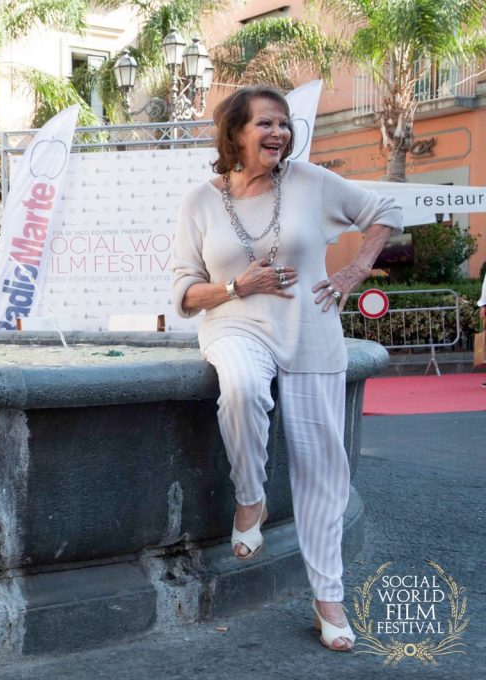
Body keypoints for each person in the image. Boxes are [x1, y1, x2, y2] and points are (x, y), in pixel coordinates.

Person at [172, 85, 401, 652]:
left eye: (282, 124)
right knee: (244, 388)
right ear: (235, 135)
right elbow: (184, 293)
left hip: (310, 330)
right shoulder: (200, 202)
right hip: (235, 325)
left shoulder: (311, 183)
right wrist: (236, 285)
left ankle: (329, 597)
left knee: (324, 467)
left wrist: (350, 275)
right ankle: (250, 496)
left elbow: (386, 212)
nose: (278, 134)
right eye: (264, 125)